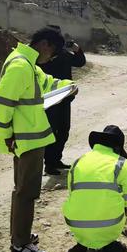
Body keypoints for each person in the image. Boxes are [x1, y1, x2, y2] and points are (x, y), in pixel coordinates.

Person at [0, 27, 75, 252]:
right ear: (46, 45)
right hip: (26, 140)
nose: (51, 59)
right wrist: (6, 134)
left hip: (31, 139)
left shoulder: (27, 64)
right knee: (26, 192)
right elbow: (1, 104)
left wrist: (67, 86)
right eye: (53, 54)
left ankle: (20, 234)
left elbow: (45, 83)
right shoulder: (20, 66)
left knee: (22, 190)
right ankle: (21, 244)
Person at [63, 125, 127, 252]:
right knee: (120, 200)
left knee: (83, 199)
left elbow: (72, 193)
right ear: (117, 148)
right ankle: (108, 243)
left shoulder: (77, 162)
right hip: (108, 225)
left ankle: (83, 243)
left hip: (76, 225)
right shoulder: (123, 164)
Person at [38, 32, 86, 175]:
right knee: (51, 132)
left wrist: (77, 50)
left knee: (64, 130)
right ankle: (49, 164)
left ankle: (56, 160)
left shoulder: (64, 54)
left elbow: (80, 62)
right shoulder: (40, 57)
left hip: (65, 98)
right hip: (49, 99)